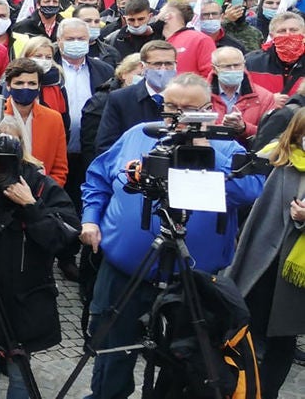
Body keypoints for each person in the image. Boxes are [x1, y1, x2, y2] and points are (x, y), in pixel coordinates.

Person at [80, 73, 264, 399]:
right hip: (125, 273)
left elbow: (251, 192)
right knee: (110, 353)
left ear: (207, 110)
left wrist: (207, 152)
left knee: (185, 364)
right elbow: (98, 178)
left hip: (192, 280)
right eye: (171, 108)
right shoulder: (139, 135)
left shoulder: (227, 147)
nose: (177, 117)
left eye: (188, 110)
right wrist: (91, 220)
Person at [0, 129, 80, 399]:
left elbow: (66, 241)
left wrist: (31, 206)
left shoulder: (41, 185)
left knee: (19, 367)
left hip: (28, 294)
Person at [226, 109, 305, 399]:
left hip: (295, 273)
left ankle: (267, 393)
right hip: (263, 262)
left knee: (283, 338)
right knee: (248, 328)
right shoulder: (274, 158)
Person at [96, 40, 174, 152]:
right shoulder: (121, 99)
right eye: (157, 64)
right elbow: (106, 145)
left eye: (169, 64)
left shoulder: (185, 99)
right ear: (143, 66)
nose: (163, 69)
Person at [3, 58, 69, 186]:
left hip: (41, 191)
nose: (25, 87)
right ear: (8, 85)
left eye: (32, 83)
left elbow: (59, 169)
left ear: (39, 86)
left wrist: (45, 192)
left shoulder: (54, 119)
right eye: (19, 83)